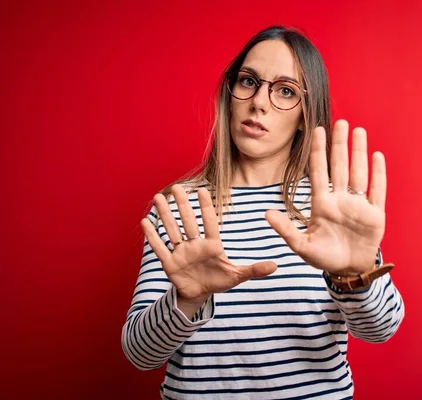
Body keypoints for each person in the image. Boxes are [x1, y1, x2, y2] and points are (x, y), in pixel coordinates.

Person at [121, 25, 405, 400]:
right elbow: (140, 355)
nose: (259, 101)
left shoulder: (330, 207)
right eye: (248, 81)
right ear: (230, 92)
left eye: (285, 90)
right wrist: (186, 300)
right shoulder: (181, 208)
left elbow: (380, 329)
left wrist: (352, 273)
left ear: (306, 114)